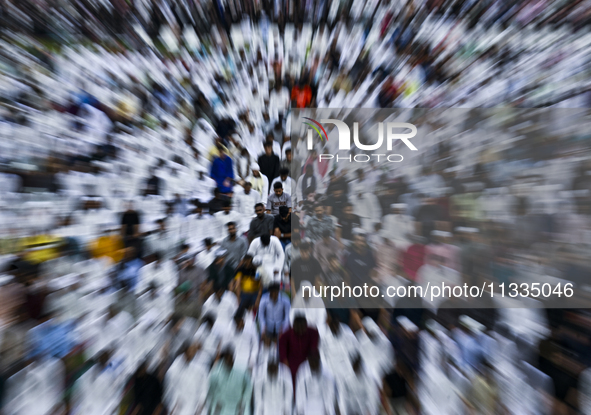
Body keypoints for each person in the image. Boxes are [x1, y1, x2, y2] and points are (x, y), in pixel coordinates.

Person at [164, 342, 209, 415]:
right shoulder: (174, 369)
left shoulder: (200, 368)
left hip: (195, 406)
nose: (193, 353)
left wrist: (200, 405)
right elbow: (170, 391)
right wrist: (173, 406)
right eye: (191, 350)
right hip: (179, 408)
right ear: (185, 351)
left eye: (194, 350)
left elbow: (203, 388)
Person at [206, 348, 253, 415]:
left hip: (237, 405)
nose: (229, 361)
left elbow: (248, 387)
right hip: (221, 406)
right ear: (223, 360)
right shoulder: (215, 372)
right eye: (227, 359)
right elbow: (211, 391)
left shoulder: (242, 371)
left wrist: (243, 402)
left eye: (231, 358)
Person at [279, 315, 320, 384]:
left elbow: (313, 348)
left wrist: (311, 361)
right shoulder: (286, 335)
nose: (301, 330)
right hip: (291, 364)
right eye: (298, 328)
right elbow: (282, 351)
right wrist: (285, 361)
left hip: (307, 362)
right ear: (294, 326)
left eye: (302, 328)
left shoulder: (313, 332)